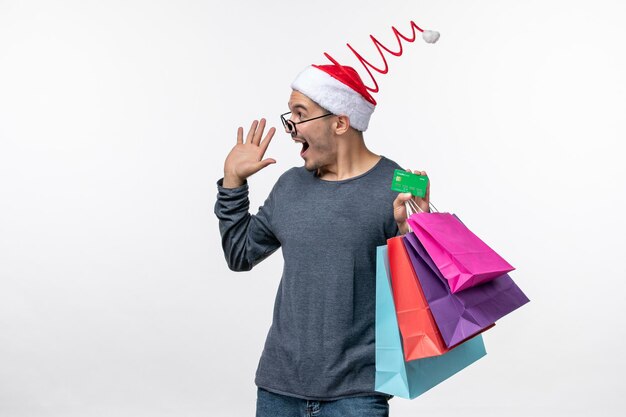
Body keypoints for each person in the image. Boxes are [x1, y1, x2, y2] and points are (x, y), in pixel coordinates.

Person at [214, 63, 430, 417]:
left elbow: (426, 295)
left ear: (340, 122)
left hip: (356, 395)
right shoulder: (290, 186)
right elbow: (239, 255)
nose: (290, 127)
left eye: (300, 114)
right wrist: (232, 182)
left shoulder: (401, 184)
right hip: (277, 390)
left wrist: (416, 232)